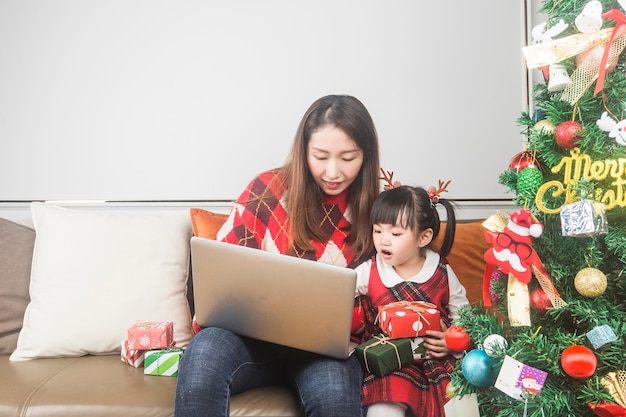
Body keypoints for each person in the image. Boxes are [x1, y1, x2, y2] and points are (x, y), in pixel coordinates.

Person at [175, 94, 381, 417]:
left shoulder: (379, 212)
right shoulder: (266, 190)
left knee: (334, 396)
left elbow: (390, 289)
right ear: (303, 150)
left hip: (325, 353)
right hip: (249, 341)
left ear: (366, 155)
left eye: (348, 158)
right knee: (202, 359)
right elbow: (222, 271)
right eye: (320, 156)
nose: (333, 171)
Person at [352, 184, 470, 417]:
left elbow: (465, 317)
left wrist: (452, 342)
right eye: (377, 231)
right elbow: (337, 294)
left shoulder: (441, 272)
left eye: (395, 234)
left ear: (423, 237)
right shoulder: (370, 270)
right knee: (383, 408)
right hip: (389, 364)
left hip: (434, 362)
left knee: (456, 404)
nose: (384, 241)